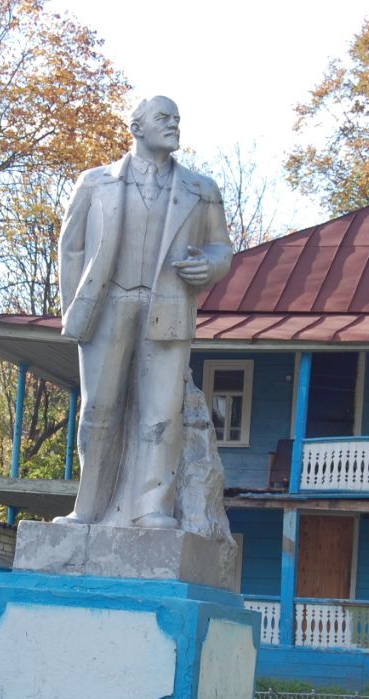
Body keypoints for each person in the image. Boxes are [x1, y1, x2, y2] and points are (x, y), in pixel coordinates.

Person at [54, 96, 232, 529]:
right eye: (163, 118)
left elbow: (221, 247)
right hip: (106, 305)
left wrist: (208, 265)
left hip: (168, 306)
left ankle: (152, 506)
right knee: (98, 409)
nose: (173, 125)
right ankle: (89, 506)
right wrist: (75, 310)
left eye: (177, 118)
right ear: (136, 127)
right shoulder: (94, 183)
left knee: (161, 411)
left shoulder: (201, 188)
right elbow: (71, 247)